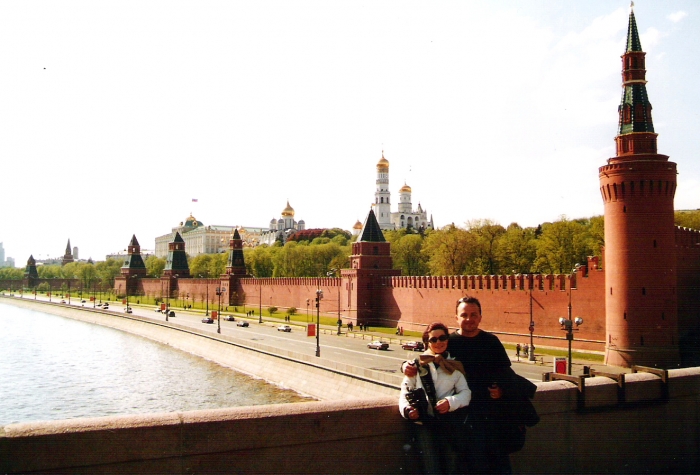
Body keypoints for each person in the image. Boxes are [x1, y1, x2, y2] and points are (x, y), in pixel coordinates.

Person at [403, 297, 518, 474]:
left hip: (490, 413)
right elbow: (425, 358)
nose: (469, 319)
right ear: (456, 318)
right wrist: (404, 366)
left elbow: (507, 375)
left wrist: (502, 391)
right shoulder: (450, 342)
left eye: (474, 314)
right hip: (461, 417)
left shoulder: (491, 342)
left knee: (498, 464)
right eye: (464, 315)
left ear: (480, 317)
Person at [399, 322, 471, 475]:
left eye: (442, 338)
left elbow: (466, 394)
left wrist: (450, 403)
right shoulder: (415, 366)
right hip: (424, 424)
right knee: (430, 466)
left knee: (451, 464)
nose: (438, 342)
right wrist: (407, 410)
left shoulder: (454, 366)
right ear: (427, 342)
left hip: (448, 423)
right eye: (433, 340)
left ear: (447, 340)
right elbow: (404, 392)